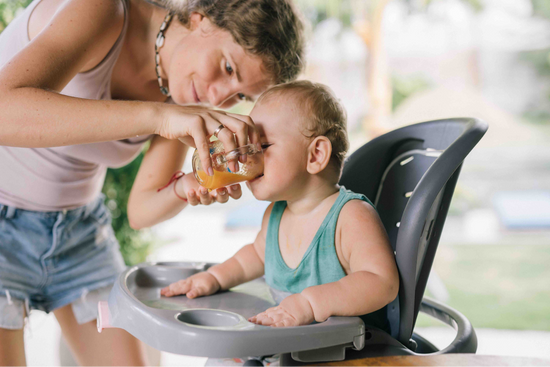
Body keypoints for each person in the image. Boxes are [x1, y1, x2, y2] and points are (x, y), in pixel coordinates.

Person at [0, 0, 305, 365]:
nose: (217, 97)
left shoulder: (178, 94)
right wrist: (158, 116)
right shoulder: (103, 10)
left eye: (239, 95)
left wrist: (184, 186)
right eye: (227, 67)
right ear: (200, 19)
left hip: (78, 233)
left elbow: (140, 210)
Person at [160, 81, 400, 365]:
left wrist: (309, 304)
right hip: (291, 349)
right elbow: (253, 257)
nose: (247, 156)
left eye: (262, 145)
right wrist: (213, 278)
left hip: (349, 355)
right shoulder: (276, 213)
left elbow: (381, 282)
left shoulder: (350, 216)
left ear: (315, 155)